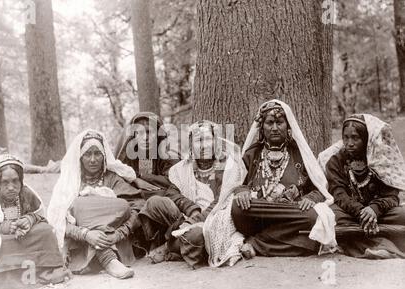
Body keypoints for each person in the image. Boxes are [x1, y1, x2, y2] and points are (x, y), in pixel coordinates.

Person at [230, 99, 336, 257]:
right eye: (269, 123)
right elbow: (237, 182)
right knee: (237, 208)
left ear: (288, 126)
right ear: (262, 127)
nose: (274, 128)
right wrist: (242, 190)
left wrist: (311, 197)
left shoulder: (300, 154)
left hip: (290, 216)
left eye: (279, 122)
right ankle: (284, 242)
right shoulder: (252, 154)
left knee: (313, 216)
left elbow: (319, 188)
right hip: (259, 214)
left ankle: (256, 244)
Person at [138, 120, 246, 268]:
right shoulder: (180, 169)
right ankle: (181, 244)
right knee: (154, 202)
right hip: (186, 218)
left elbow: (222, 200)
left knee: (195, 235)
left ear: (215, 142)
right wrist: (192, 210)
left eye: (208, 139)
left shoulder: (227, 166)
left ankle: (170, 247)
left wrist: (196, 221)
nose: (204, 146)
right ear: (190, 145)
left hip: (216, 220)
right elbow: (172, 194)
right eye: (198, 141)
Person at [0, 154, 69, 289]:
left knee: (45, 231)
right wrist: (2, 227)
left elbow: (41, 216)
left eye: (15, 181)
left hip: (25, 238)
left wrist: (30, 220)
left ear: (21, 180)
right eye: (5, 182)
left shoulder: (27, 194)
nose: (11, 187)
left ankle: (45, 270)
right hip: (2, 242)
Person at [47, 130, 144, 279]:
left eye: (97, 153)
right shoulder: (70, 183)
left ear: (104, 156)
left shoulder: (113, 178)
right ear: (79, 157)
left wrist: (119, 234)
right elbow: (58, 220)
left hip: (115, 241)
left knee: (123, 205)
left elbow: (137, 207)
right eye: (87, 154)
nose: (93, 159)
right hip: (81, 243)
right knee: (79, 205)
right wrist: (86, 234)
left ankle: (103, 256)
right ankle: (108, 259)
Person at [319, 114, 405, 258]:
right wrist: (361, 212)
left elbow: (392, 196)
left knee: (402, 214)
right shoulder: (336, 161)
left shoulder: (380, 160)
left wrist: (374, 209)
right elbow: (338, 193)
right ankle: (383, 246)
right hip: (350, 213)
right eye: (345, 137)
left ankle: (372, 244)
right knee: (331, 217)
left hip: (380, 213)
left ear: (366, 139)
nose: (349, 143)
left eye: (355, 138)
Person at [115, 112, 179, 197]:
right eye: (140, 133)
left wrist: (144, 177)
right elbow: (118, 177)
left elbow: (176, 181)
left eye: (150, 132)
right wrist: (135, 180)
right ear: (135, 135)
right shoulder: (128, 153)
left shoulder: (168, 153)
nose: (145, 138)